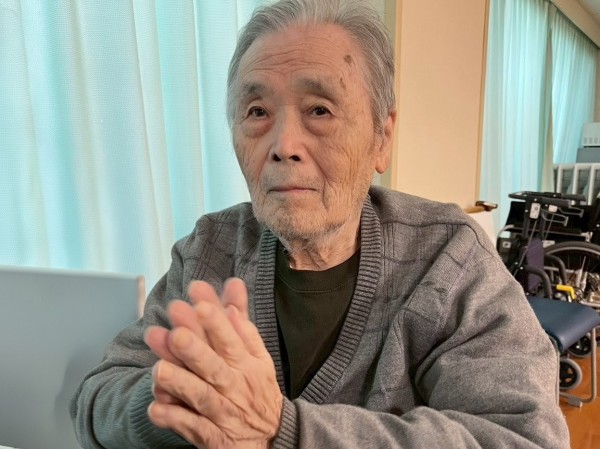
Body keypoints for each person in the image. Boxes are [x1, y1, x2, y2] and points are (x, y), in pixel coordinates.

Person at [70, 0, 570, 448]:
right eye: (257, 111)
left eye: (319, 110)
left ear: (381, 137)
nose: (283, 145)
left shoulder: (448, 260)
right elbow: (95, 402)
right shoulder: (210, 249)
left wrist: (281, 430)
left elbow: (525, 438)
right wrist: (193, 404)